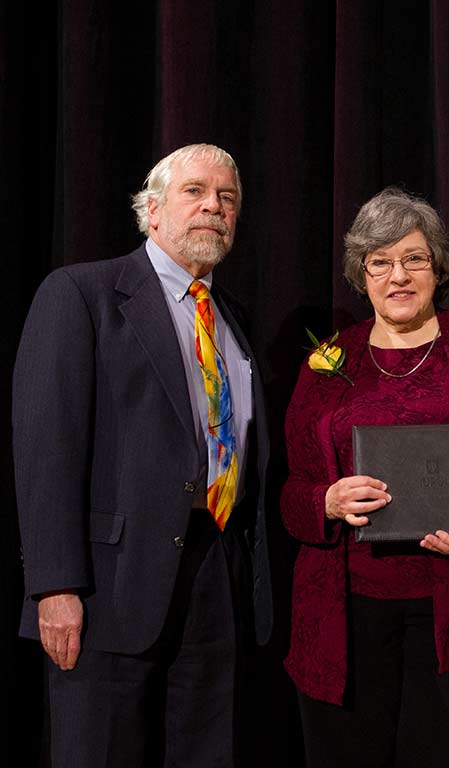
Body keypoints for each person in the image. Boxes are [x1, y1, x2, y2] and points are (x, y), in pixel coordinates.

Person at [12, 143, 272, 766]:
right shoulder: (83, 293)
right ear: (151, 211)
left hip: (216, 587)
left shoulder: (233, 320)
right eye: (196, 192)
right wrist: (54, 586)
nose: (214, 205)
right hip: (107, 592)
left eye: (227, 197)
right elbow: (47, 448)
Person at [280, 187, 449, 767]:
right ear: (362, 274)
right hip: (346, 617)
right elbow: (291, 491)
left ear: (437, 267)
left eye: (414, 259)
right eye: (380, 262)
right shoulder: (328, 361)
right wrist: (324, 502)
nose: (397, 276)